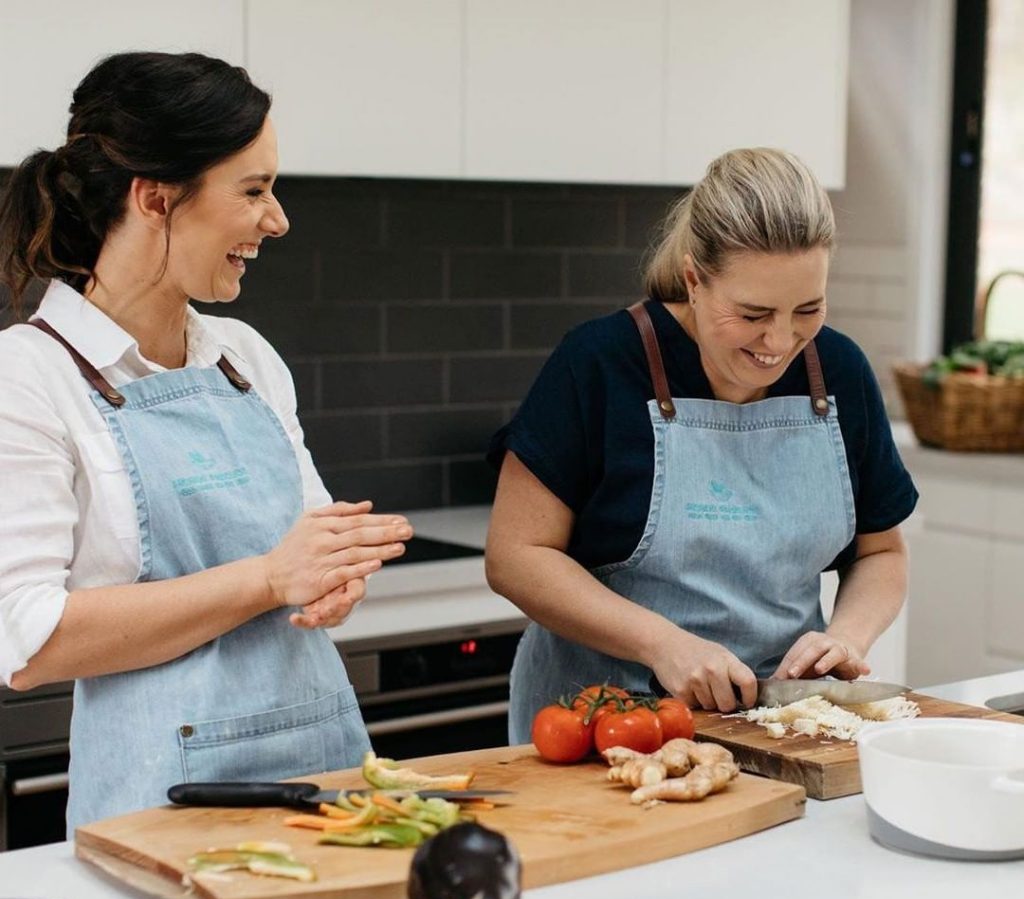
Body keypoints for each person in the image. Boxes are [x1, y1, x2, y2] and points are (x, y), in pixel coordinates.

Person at [0, 52, 413, 832]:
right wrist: (267, 580)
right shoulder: (29, 376)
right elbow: (29, 642)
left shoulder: (243, 358)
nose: (278, 218)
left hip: (328, 785)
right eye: (253, 190)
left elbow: (304, 552)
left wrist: (333, 578)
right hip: (160, 812)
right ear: (155, 197)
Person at [485, 148, 918, 742]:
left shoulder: (837, 371)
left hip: (780, 725)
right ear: (694, 280)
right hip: (604, 720)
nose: (781, 340)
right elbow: (515, 555)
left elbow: (881, 554)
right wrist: (663, 644)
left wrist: (847, 637)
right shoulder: (600, 363)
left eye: (808, 309)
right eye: (753, 312)